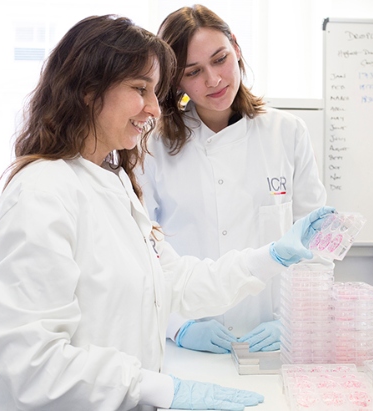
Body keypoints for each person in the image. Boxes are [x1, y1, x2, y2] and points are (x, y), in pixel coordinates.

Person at [0, 14, 335, 411]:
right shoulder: (41, 193)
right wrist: (159, 389)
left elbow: (176, 281)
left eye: (155, 91)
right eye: (140, 89)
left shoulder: (112, 183)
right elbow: (32, 364)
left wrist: (269, 259)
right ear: (87, 90)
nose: (154, 107)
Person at [137, 4, 332, 355]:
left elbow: (315, 244)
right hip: (187, 340)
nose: (212, 80)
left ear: (237, 49)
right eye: (193, 72)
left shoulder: (286, 133)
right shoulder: (152, 145)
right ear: (175, 80)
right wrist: (178, 327)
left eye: (219, 59)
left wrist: (297, 320)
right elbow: (141, 253)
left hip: (274, 337)